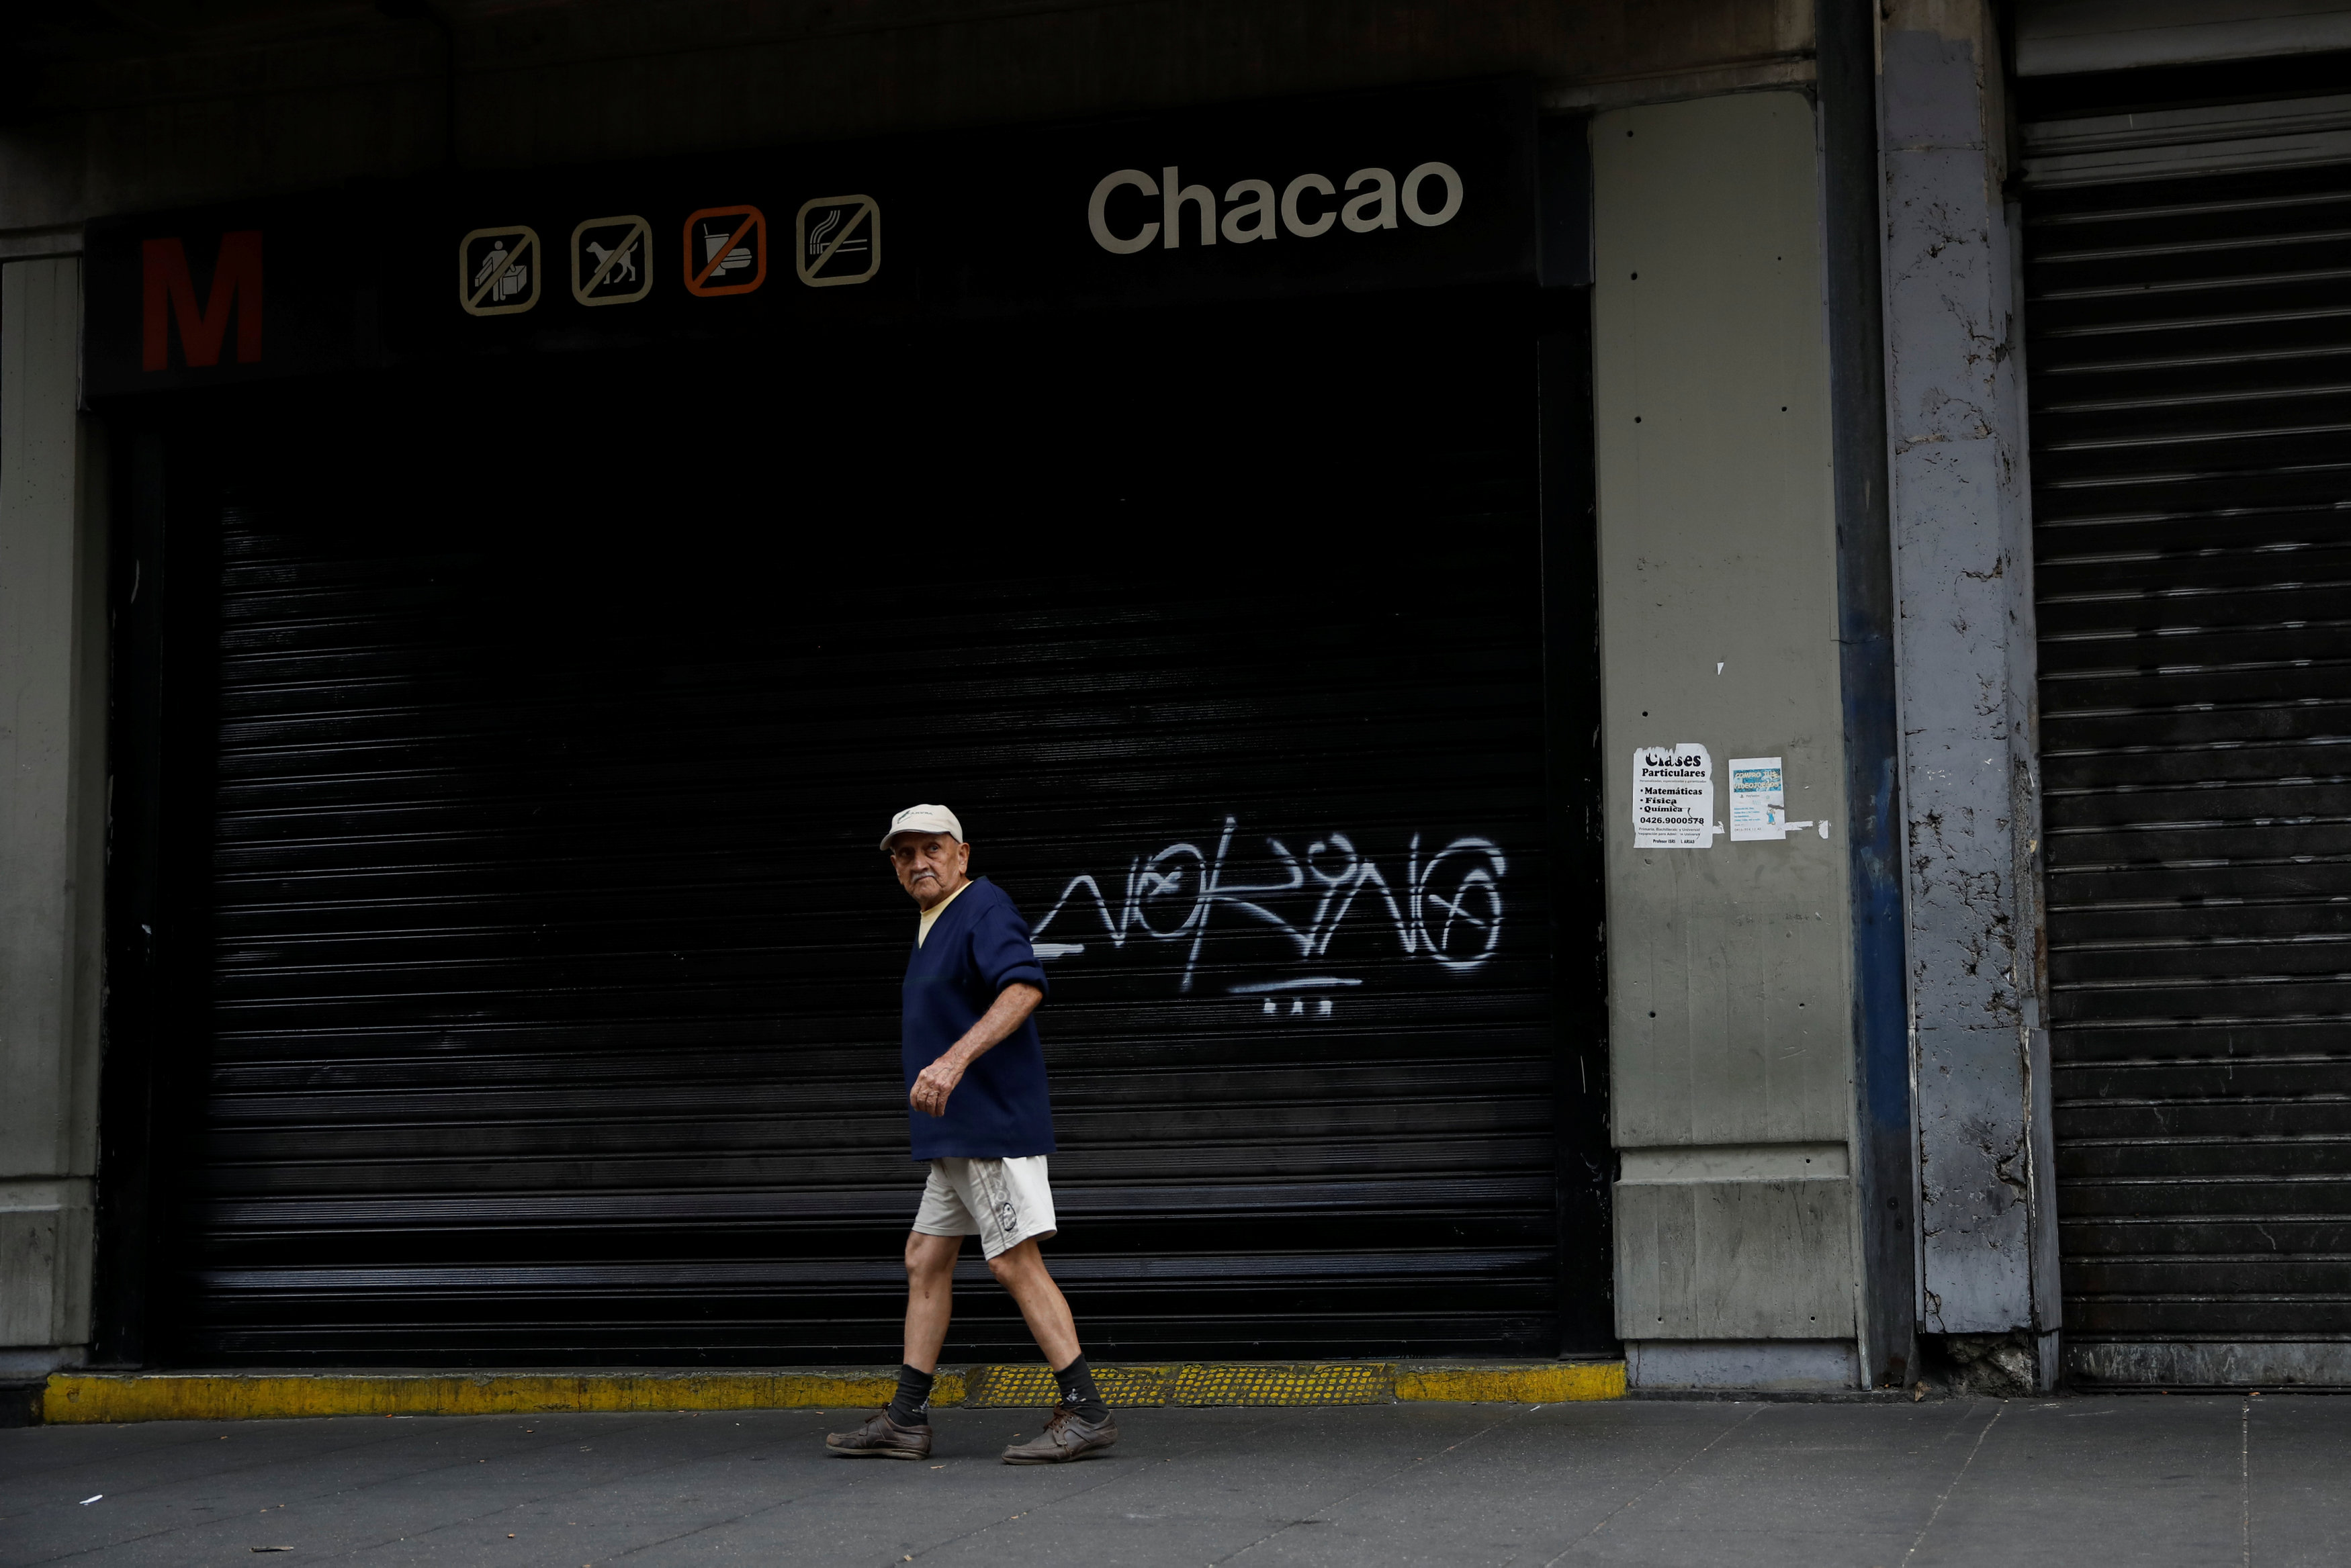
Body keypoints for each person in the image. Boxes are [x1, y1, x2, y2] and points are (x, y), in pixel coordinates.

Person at [825, 804, 1118, 1465]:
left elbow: (1022, 988)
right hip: (955, 1135)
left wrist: (954, 1061)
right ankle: (905, 1418)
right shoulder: (933, 921)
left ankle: (1086, 1409)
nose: (917, 862)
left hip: (987, 1126)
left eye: (932, 848)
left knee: (1013, 1260)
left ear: (962, 854)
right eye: (903, 854)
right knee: (924, 1260)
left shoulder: (982, 907)